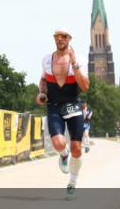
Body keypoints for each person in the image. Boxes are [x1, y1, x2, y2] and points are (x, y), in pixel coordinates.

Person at [36, 29, 90, 198]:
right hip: (54, 105)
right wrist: (41, 93)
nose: (60, 39)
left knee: (77, 149)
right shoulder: (46, 59)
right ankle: (63, 155)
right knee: (59, 144)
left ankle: (72, 183)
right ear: (54, 39)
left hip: (73, 105)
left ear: (70, 39)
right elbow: (44, 80)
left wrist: (74, 64)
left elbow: (85, 86)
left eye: (64, 36)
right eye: (57, 36)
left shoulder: (79, 59)